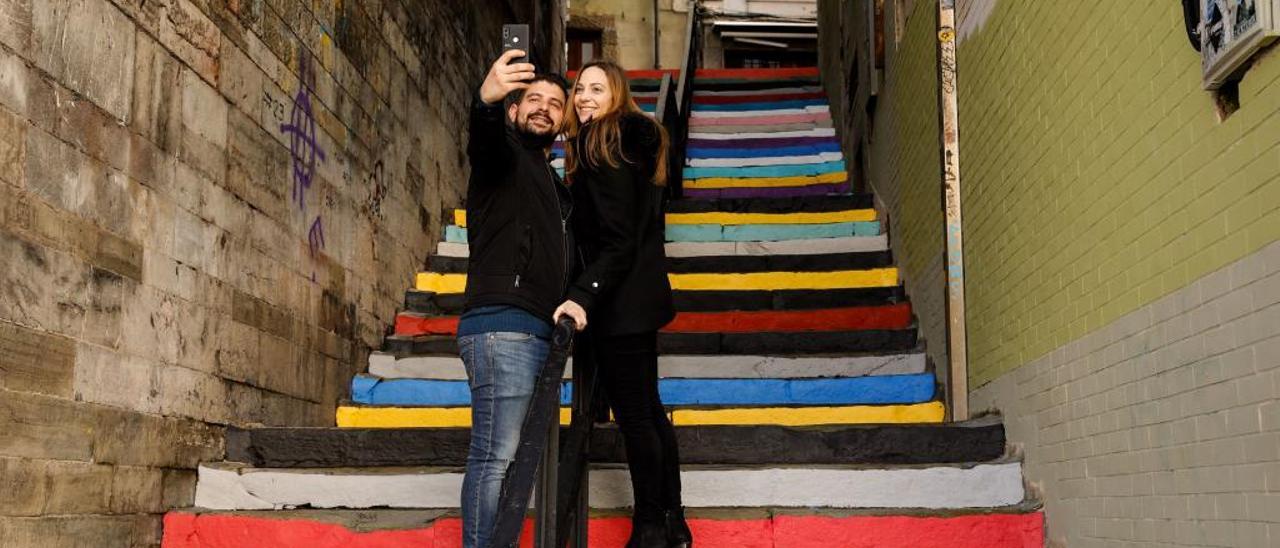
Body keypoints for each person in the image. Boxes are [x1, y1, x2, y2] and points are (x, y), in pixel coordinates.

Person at [553, 61, 692, 548]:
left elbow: (617, 240)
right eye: (579, 88)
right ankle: (673, 521)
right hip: (640, 297)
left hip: (617, 303)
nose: (584, 97)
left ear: (618, 95)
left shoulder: (603, 146)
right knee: (649, 410)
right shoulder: (631, 144)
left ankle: (651, 526)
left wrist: (580, 295)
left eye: (597, 88)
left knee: (637, 416)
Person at [457, 48, 572, 548]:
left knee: (508, 460)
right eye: (533, 99)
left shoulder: (556, 184)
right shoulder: (502, 159)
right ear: (513, 110)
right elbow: (483, 142)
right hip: (502, 327)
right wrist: (485, 100)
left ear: (564, 123)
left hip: (535, 330)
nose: (544, 106)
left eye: (554, 103)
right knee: (495, 456)